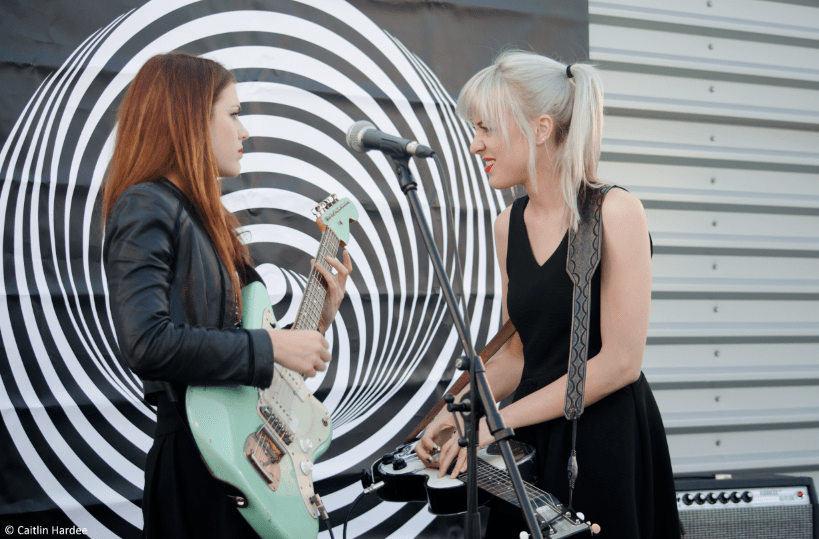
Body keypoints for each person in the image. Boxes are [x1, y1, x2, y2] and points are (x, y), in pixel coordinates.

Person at [415, 50, 680, 539]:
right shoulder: (505, 226)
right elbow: (519, 352)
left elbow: (622, 361)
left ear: (539, 129)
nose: (475, 146)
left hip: (602, 439)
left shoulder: (615, 212)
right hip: (529, 439)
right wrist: (456, 414)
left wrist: (498, 423)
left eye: (485, 129)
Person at [102, 52, 353, 538]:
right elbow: (145, 342)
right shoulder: (145, 205)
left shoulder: (207, 221)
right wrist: (273, 347)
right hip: (198, 463)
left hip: (238, 456)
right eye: (234, 114)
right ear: (190, 118)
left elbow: (239, 355)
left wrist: (315, 324)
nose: (244, 133)